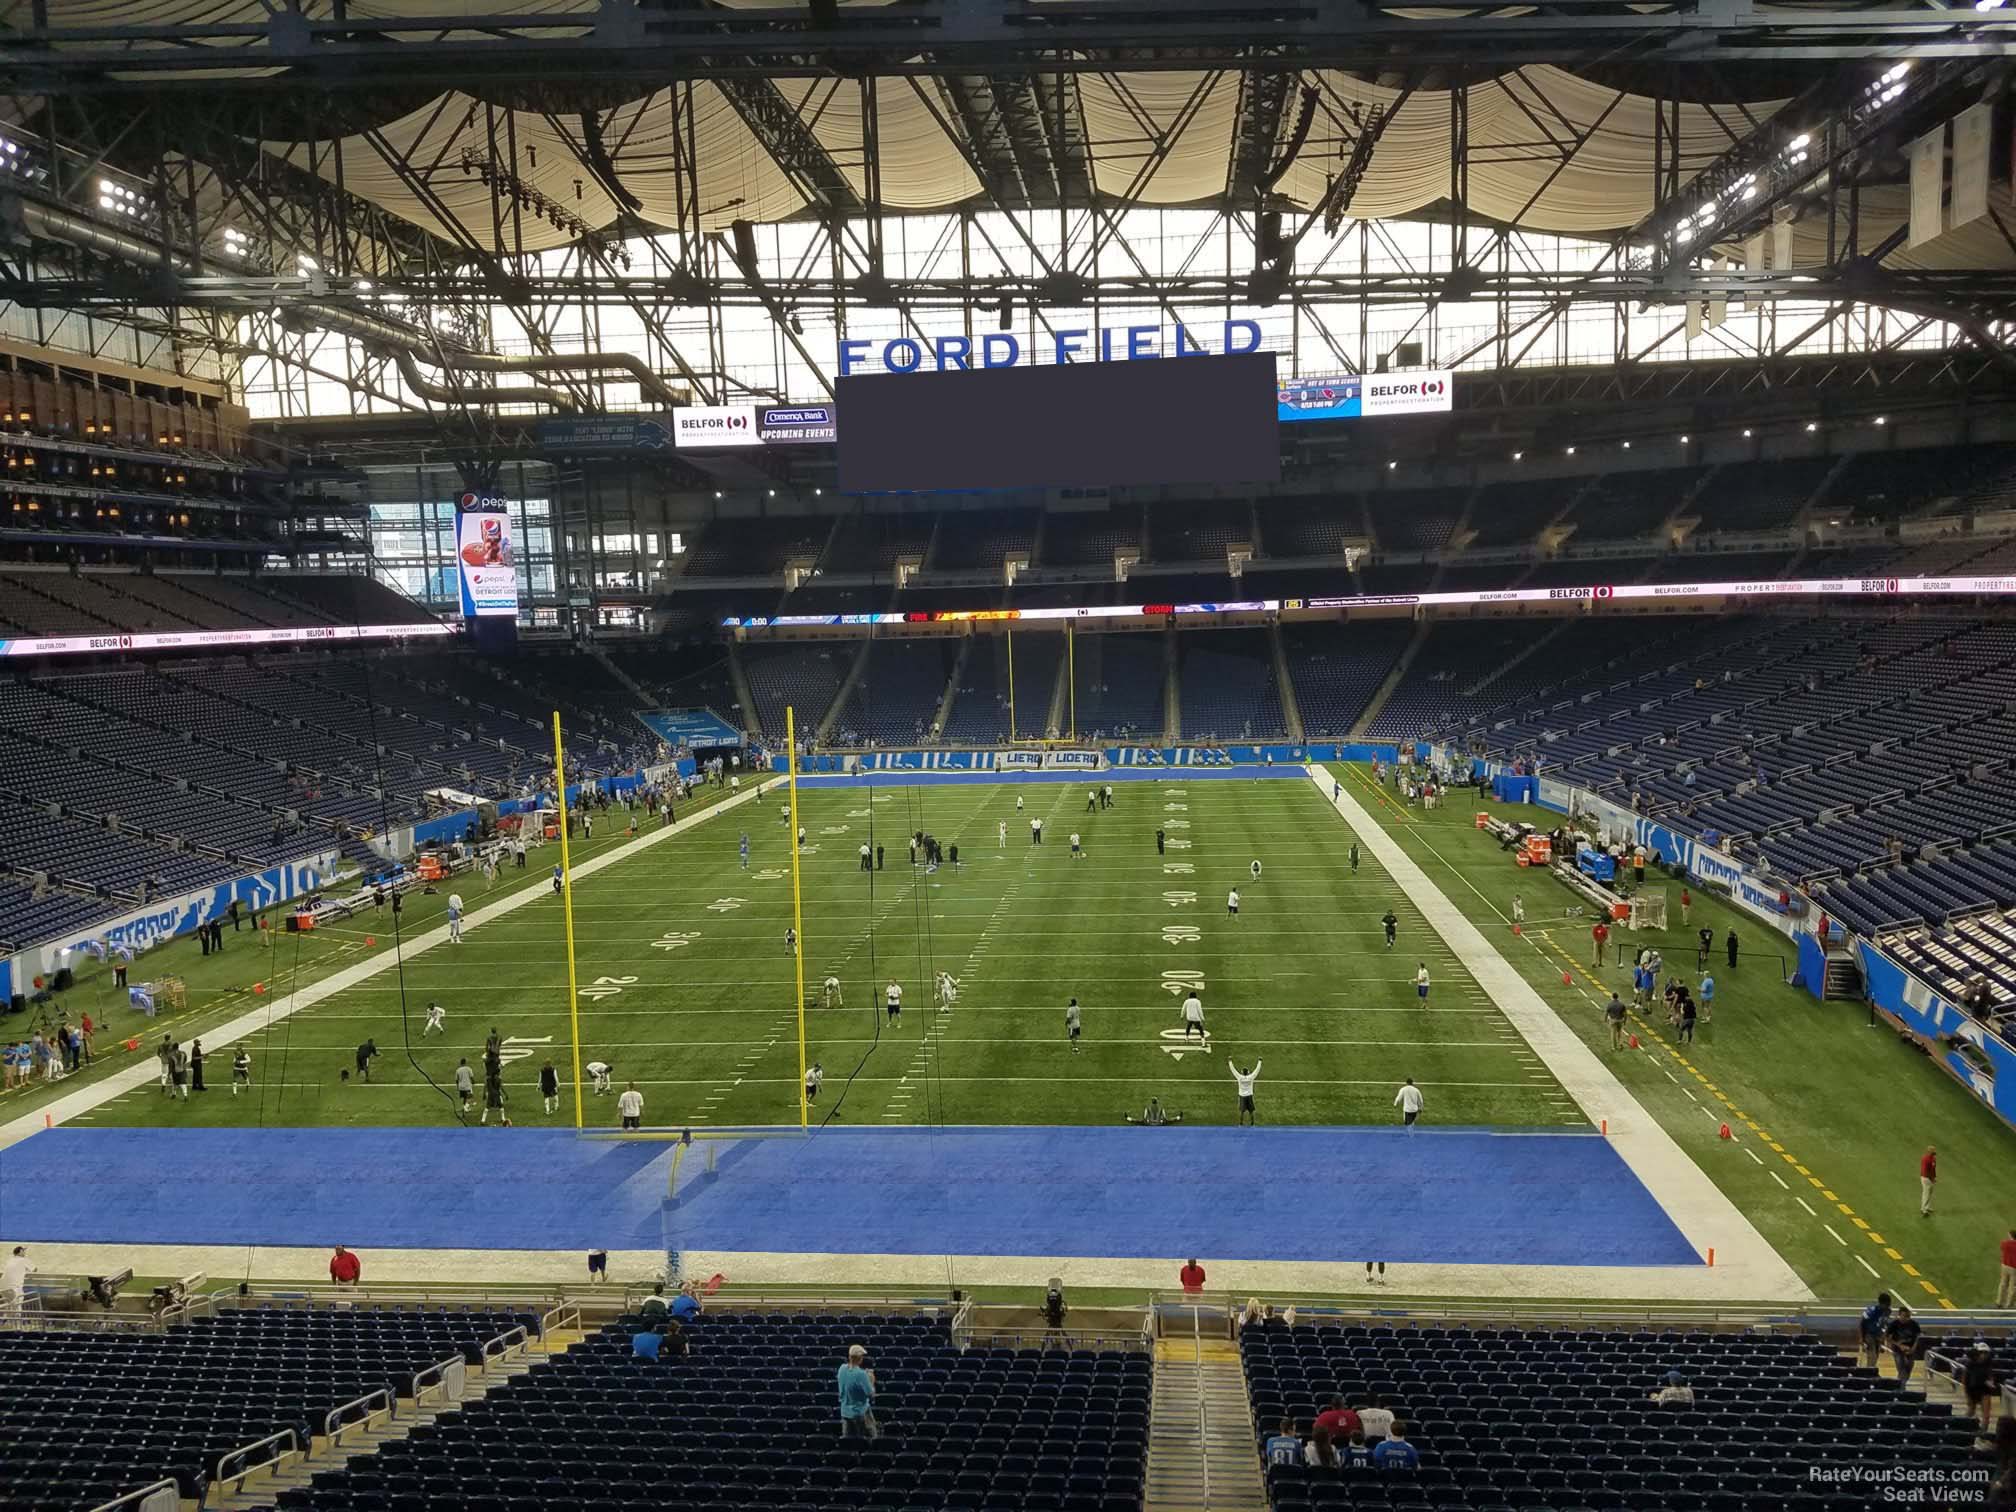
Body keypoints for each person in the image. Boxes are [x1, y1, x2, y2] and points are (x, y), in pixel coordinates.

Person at [837, 1344, 878, 1439]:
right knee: (871, 1439)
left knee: (849, 1442)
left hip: (845, 1412)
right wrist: (871, 1380)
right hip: (860, 1413)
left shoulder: (842, 1369)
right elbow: (871, 1394)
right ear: (860, 1358)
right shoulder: (861, 1374)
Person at [1964, 1342, 2001, 1431]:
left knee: (1986, 1415)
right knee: (1970, 1411)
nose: (1983, 1355)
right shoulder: (1970, 1363)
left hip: (1985, 1390)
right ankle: (1964, 1428)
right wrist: (1967, 1396)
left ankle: (1983, 1434)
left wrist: (1991, 1382)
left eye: (1985, 1352)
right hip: (1972, 1390)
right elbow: (1965, 1381)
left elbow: (1991, 1375)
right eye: (1981, 1352)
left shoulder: (1989, 1362)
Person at [1887, 1304, 1922, 1383]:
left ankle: (1903, 1381)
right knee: (1900, 1365)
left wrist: (1913, 1348)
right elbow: (1887, 1338)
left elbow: (1918, 1337)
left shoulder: (1914, 1324)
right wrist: (1899, 1345)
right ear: (1899, 1315)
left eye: (1908, 1316)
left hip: (1910, 1348)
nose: (1906, 1318)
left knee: (1909, 1366)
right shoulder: (1894, 1324)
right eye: (1904, 1316)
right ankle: (1901, 1383)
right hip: (1897, 1349)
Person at [1858, 1291, 1893, 1368]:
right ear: (1882, 1303)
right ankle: (1869, 1373)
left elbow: (1885, 1323)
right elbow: (1861, 1322)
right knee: (1872, 1356)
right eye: (1887, 1304)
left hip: (1878, 1334)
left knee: (1876, 1356)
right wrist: (1861, 1338)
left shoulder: (1888, 1311)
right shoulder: (1872, 1311)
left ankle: (1871, 1370)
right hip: (1869, 1334)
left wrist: (1883, 1335)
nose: (1888, 1306)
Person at [1229, 1059, 1262, 1126]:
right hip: (1249, 1096)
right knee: (1251, 1111)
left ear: (1242, 1072)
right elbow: (1257, 1070)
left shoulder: (1239, 1077)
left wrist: (1230, 1061)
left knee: (1242, 1111)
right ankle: (1252, 1124)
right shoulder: (1251, 1077)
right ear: (1248, 1072)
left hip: (1242, 1096)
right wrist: (1259, 1061)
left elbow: (1233, 1070)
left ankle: (1240, 1124)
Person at [0, 1245, 27, 1318]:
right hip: (15, 1287)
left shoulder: (10, 1260)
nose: (25, 1252)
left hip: (2, 1287)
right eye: (24, 1251)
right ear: (20, 1252)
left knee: (9, 1304)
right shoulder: (24, 1260)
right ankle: (18, 1325)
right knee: (18, 1303)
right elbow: (34, 1269)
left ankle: (4, 1320)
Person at [2000, 1229, 2016, 1309]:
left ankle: (1999, 1302)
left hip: (2005, 1266)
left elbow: (2002, 1246)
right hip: (2014, 1268)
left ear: (2011, 1236)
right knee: (2012, 1286)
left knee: (2003, 1284)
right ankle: (2008, 1304)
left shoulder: (2005, 1243)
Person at [1920, 1145, 1937, 1216]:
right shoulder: (1925, 1159)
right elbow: (1925, 1172)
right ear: (1929, 1151)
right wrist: (1931, 1179)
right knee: (1926, 1193)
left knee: (1930, 1193)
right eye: (1933, 1151)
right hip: (1925, 1178)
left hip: (1930, 1178)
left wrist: (1934, 1177)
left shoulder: (1933, 1158)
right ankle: (1923, 1209)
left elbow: (1933, 1169)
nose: (1935, 1152)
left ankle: (1927, 1207)